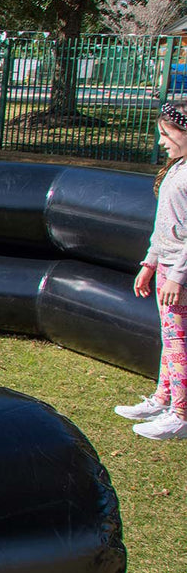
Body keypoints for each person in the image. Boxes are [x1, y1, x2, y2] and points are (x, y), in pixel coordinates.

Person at [116, 103, 187, 439]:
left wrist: (177, 274)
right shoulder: (177, 168)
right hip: (166, 267)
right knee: (170, 338)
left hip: (180, 274)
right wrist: (150, 262)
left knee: (179, 342)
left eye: (166, 134)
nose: (162, 142)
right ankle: (164, 398)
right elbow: (165, 227)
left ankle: (181, 414)